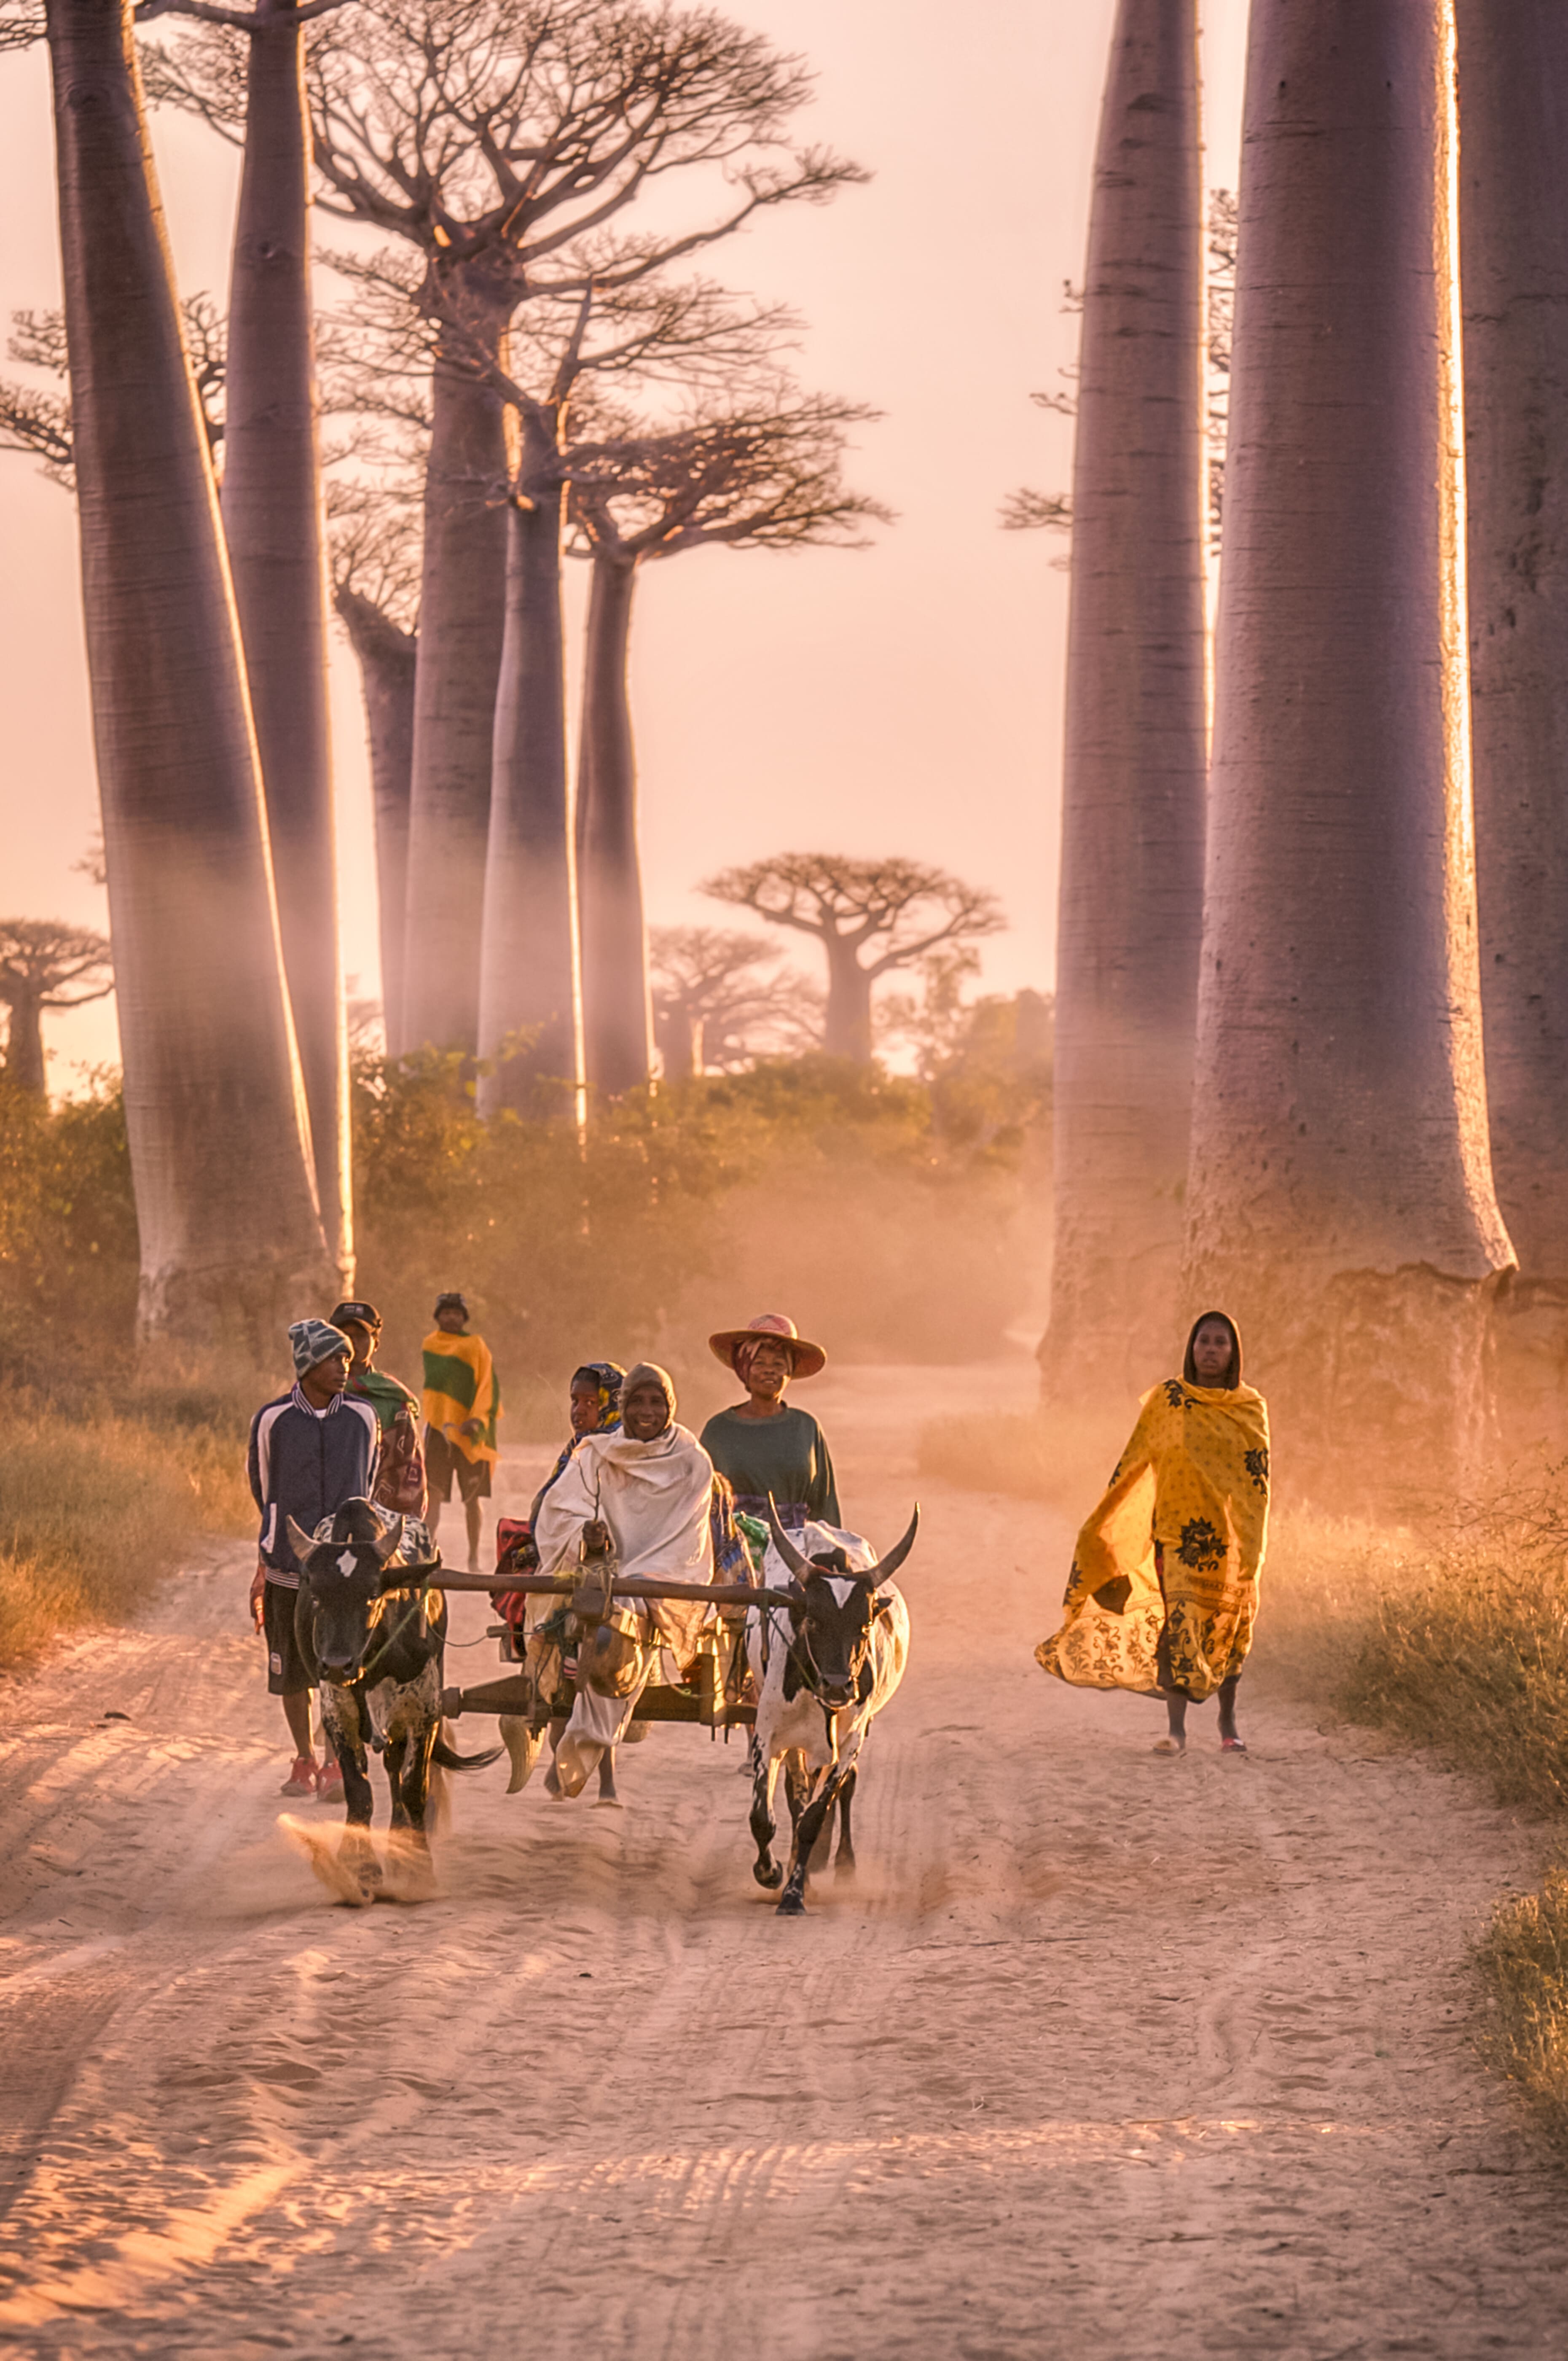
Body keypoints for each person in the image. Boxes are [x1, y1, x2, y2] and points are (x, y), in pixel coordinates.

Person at [1034, 1310, 1270, 1755]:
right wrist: (1103, 1524)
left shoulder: (1249, 1408)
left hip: (1231, 1542)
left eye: (1222, 1342)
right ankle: (1176, 1730)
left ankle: (1227, 1718)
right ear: (1191, 1347)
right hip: (1176, 1536)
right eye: (1204, 1341)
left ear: (1235, 1351)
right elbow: (1135, 1462)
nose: (1212, 1350)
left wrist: (1252, 1548)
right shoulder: (1169, 1400)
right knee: (1179, 1623)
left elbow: (1257, 1482)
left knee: (1229, 1625)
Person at [533, 1362, 718, 1798]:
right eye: (637, 1401)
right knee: (601, 1616)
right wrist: (589, 1535)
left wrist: (641, 1578)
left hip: (665, 1577)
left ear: (671, 1406)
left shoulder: (693, 1461)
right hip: (605, 1574)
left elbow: (686, 1538)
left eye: (657, 1401)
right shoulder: (597, 1452)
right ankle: (584, 1751)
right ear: (623, 1405)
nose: (647, 1411)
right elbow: (560, 1510)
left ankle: (580, 1749)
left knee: (619, 1617)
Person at [247, 1319, 381, 1798]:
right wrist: (271, 1550)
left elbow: (365, 1483)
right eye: (334, 1359)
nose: (345, 1367)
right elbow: (263, 1488)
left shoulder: (363, 1417)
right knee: (290, 1669)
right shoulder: (273, 1419)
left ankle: (334, 1761)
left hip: (342, 1570)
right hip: (288, 1564)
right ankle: (303, 1756)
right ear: (307, 1365)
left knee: (337, 1660)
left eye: (347, 1358)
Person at [701, 1313, 840, 1529]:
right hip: (736, 1548)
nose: (769, 1370)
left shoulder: (806, 1427)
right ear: (744, 1369)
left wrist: (833, 1552)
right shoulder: (718, 1430)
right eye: (759, 1363)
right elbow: (701, 1500)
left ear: (789, 1371)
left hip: (798, 1550)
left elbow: (825, 1502)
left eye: (778, 1364)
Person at [421, 1291, 500, 1571]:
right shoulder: (430, 1345)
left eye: (457, 1313)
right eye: (447, 1312)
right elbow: (435, 1392)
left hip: (469, 1433)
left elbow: (488, 1385)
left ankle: (474, 1557)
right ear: (438, 1316)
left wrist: (477, 1420)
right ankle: (426, 1554)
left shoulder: (475, 1346)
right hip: (439, 1431)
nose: (452, 1317)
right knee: (432, 1494)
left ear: (464, 1317)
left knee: (473, 1499)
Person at [331, 1298, 427, 1518]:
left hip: (378, 1519)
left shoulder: (392, 1401)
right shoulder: (316, 1393)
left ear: (376, 1342)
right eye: (344, 1336)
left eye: (361, 1335)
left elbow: (409, 1474)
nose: (352, 1342)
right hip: (323, 1517)